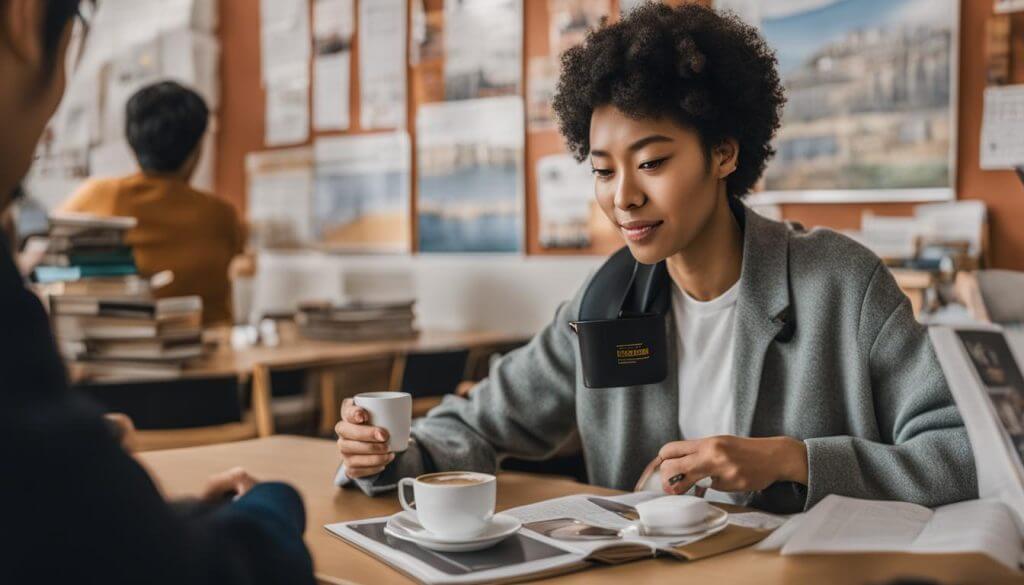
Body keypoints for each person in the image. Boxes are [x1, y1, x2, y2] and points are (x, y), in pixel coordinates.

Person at [335, 3, 977, 514]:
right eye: (603, 170)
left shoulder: (842, 284)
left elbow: (964, 452)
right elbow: (478, 425)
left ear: (724, 154)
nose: (624, 197)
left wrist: (793, 459)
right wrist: (387, 453)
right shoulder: (603, 305)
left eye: (651, 163)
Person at [0, 1, 315, 582]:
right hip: (218, 403)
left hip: (121, 407)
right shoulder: (222, 215)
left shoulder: (94, 201)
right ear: (197, 148)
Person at [59, 80, 243, 325]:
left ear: (131, 143)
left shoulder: (98, 195)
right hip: (210, 355)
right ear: (197, 149)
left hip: (113, 349)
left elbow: (50, 249)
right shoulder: (221, 215)